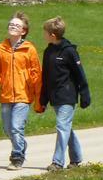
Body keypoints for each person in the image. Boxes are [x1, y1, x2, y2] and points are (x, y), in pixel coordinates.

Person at [0, 12, 42, 171]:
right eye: (11, 24)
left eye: (17, 25)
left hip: (23, 95)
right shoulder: (0, 49)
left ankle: (17, 157)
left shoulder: (29, 49)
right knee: (7, 129)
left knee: (17, 127)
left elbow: (35, 72)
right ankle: (21, 144)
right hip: (6, 95)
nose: (13, 27)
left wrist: (37, 93)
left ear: (23, 31)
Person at [37, 16, 91, 171]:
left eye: (45, 32)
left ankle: (57, 162)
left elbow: (80, 74)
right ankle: (76, 158)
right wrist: (43, 99)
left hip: (67, 96)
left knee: (62, 126)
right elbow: (45, 77)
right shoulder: (48, 51)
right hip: (55, 97)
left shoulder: (69, 52)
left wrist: (84, 93)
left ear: (52, 35)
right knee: (66, 128)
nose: (44, 35)